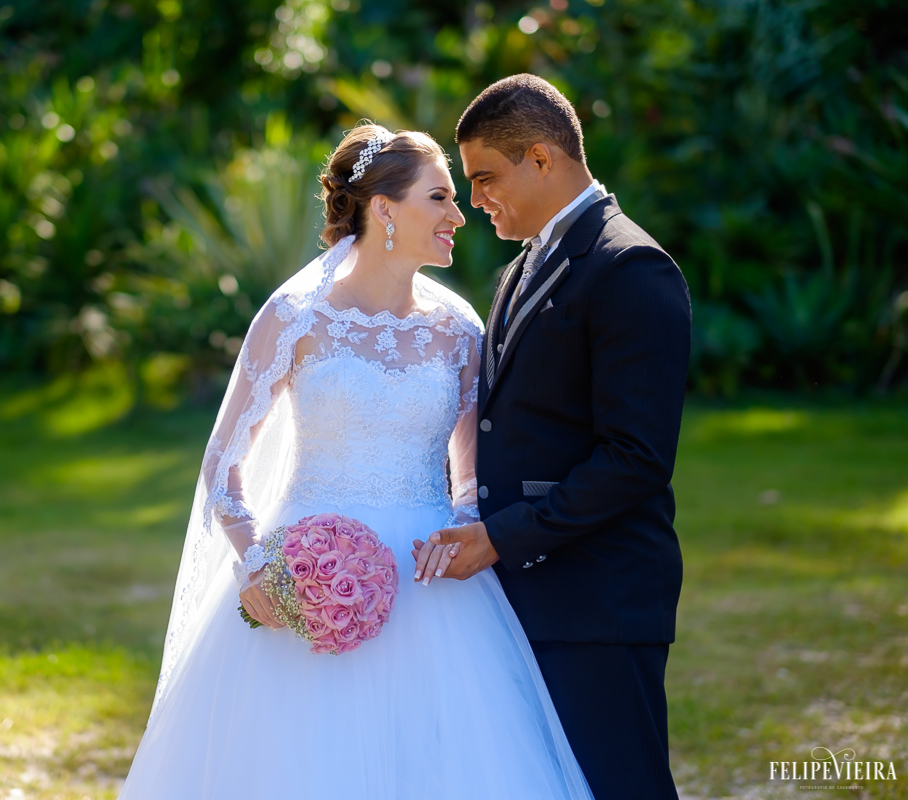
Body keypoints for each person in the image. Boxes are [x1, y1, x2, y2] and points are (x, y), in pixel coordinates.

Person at [119, 124, 594, 799]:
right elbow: (223, 464)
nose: (459, 215)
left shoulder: (459, 331)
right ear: (385, 210)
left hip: (432, 589)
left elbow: (471, 472)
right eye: (440, 198)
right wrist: (259, 565)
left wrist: (457, 525)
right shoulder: (295, 319)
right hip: (300, 573)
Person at [414, 74, 691, 800]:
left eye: (484, 178)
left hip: (599, 598)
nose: (474, 201)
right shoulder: (518, 271)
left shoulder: (631, 268)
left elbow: (636, 458)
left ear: (541, 158)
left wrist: (503, 536)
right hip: (525, 595)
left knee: (620, 785)